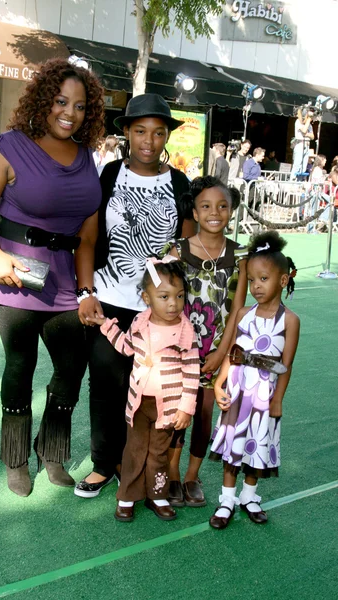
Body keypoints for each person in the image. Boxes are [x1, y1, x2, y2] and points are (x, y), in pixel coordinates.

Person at [0, 58, 105, 497]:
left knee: (71, 366)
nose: (70, 112)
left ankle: (52, 452)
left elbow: (87, 237)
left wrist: (86, 291)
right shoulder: (9, 146)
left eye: (81, 106)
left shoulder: (87, 158)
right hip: (15, 274)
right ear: (45, 100)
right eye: (61, 101)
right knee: (20, 365)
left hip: (65, 279)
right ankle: (15, 460)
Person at [74, 93, 196, 498]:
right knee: (106, 381)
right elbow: (88, 238)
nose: (149, 140)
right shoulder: (109, 174)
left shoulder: (178, 181)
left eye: (158, 133)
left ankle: (140, 468)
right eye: (140, 130)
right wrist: (86, 292)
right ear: (126, 132)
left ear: (166, 138)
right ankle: (103, 464)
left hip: (159, 309)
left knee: (152, 389)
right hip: (109, 298)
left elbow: (189, 237)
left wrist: (179, 254)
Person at [87, 258, 200, 521]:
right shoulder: (140, 323)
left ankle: (157, 496)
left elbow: (192, 371)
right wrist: (106, 325)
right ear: (146, 298)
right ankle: (126, 496)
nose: (173, 303)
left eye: (179, 296)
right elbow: (126, 347)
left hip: (168, 408)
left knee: (158, 454)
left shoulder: (185, 330)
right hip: (138, 404)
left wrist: (186, 407)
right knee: (134, 451)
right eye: (164, 296)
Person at [162, 176, 248, 507]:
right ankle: (171, 472)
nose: (215, 213)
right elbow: (166, 301)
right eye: (206, 206)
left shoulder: (242, 254)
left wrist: (223, 354)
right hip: (181, 349)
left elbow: (238, 310)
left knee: (204, 413)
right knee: (178, 412)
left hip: (218, 353)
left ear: (232, 210)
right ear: (195, 213)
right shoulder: (178, 250)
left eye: (223, 206)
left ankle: (191, 476)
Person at [209, 231, 300, 529]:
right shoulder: (244, 313)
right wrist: (221, 381)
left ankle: (249, 496)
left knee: (257, 444)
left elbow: (285, 365)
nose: (256, 286)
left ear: (283, 280)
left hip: (265, 392)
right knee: (233, 445)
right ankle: (226, 500)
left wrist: (277, 400)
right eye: (252, 280)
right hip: (239, 388)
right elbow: (232, 352)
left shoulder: (289, 321)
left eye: (264, 279)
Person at [291, 106, 315, 180]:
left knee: (304, 166)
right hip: (300, 144)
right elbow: (304, 130)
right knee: (297, 165)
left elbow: (313, 137)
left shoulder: (310, 125)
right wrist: (308, 120)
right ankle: (292, 181)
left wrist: (307, 134)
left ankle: (299, 182)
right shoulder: (298, 122)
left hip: (307, 145)